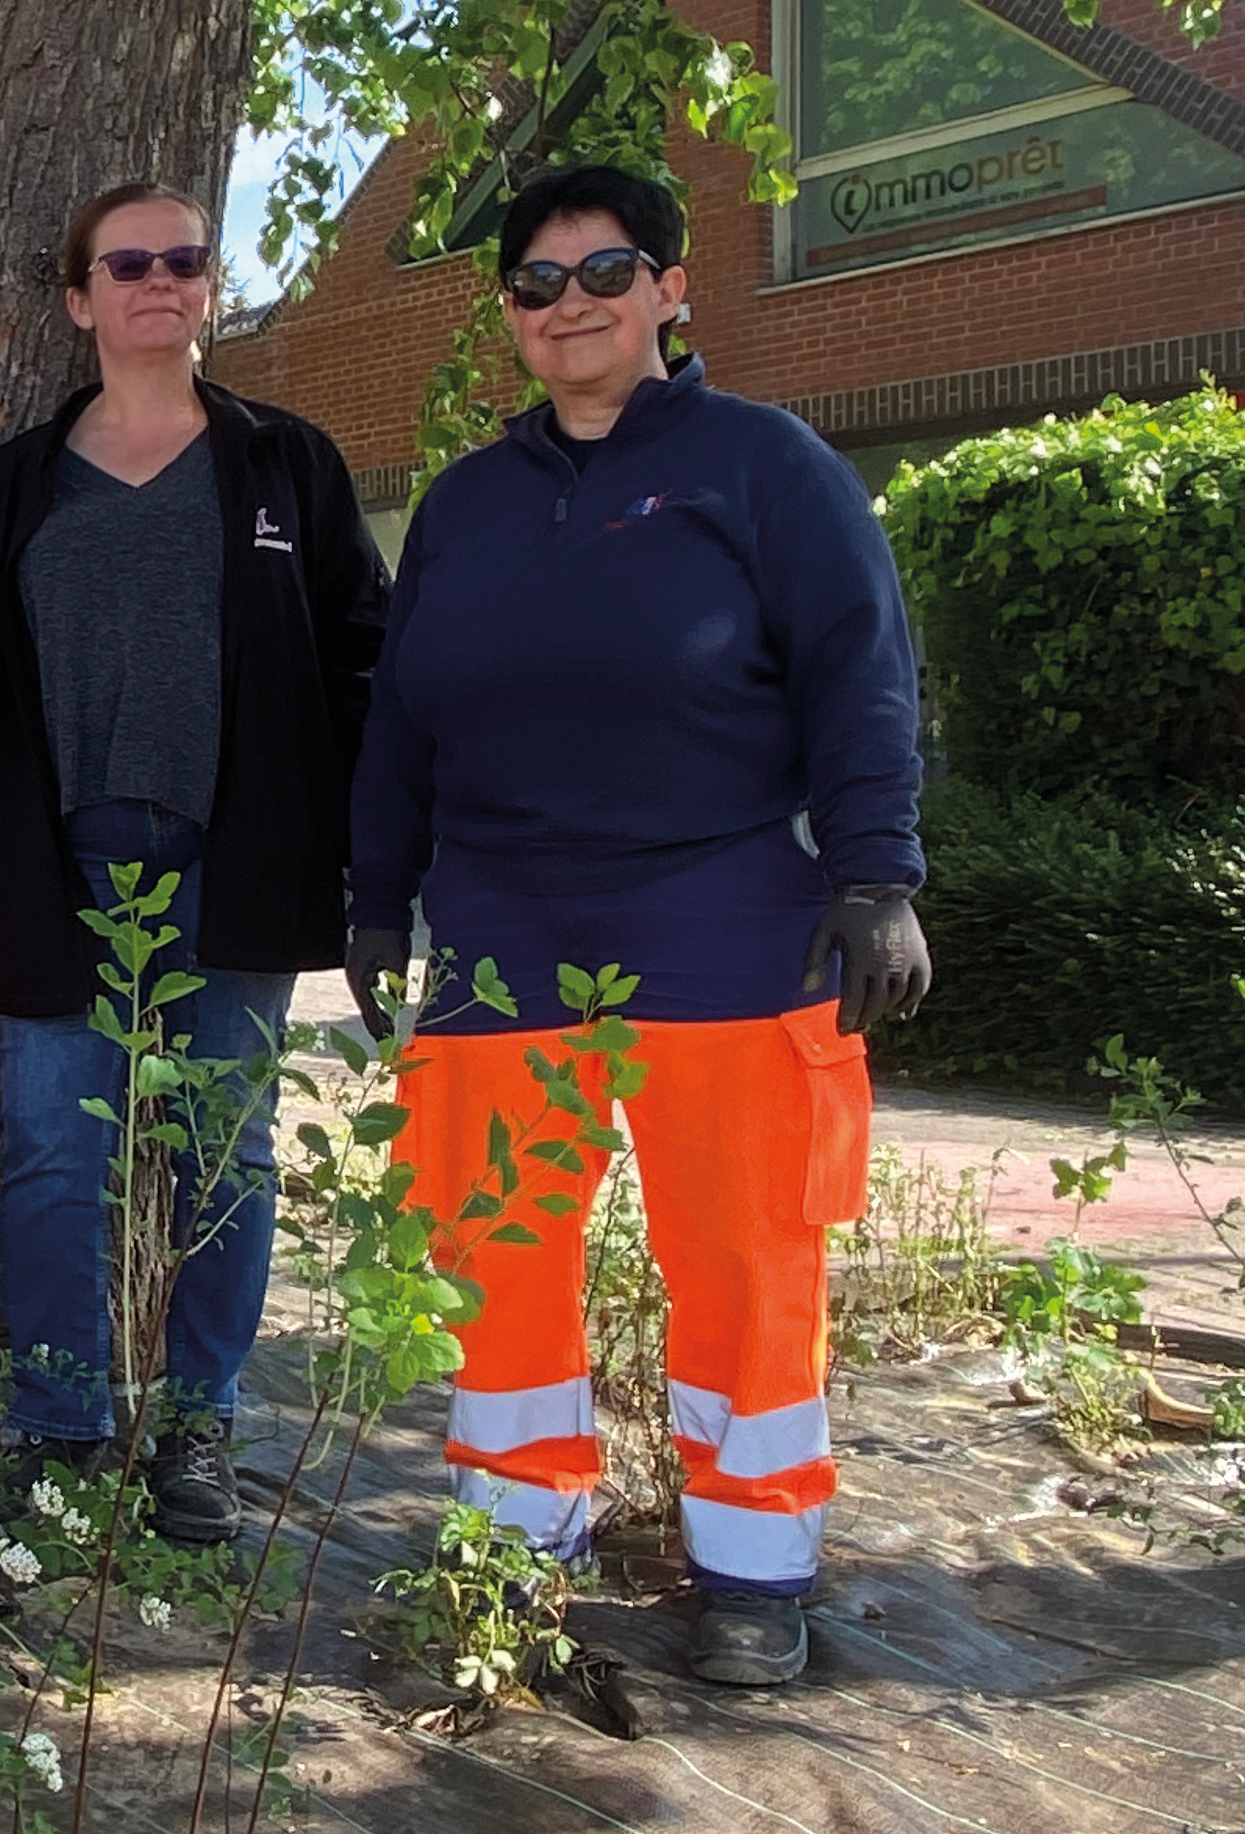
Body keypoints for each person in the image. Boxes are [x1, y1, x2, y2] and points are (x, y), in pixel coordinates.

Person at [346, 164, 929, 1687]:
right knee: (494, 1249)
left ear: (673, 289)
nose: (570, 304)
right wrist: (374, 899)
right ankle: (515, 1545)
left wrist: (877, 878)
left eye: (605, 272)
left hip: (728, 915)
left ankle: (752, 1565)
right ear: (512, 319)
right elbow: (399, 724)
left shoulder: (766, 467)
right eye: (536, 284)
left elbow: (859, 671)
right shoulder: (469, 504)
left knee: (744, 1253)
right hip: (494, 927)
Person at [0, 182, 390, 1547]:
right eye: (127, 265)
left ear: (209, 287)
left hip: (227, 868)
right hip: (61, 874)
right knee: (57, 1163)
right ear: (80, 299)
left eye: (185, 260)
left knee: (225, 1153)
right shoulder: (4, 497)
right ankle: (58, 1423)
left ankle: (199, 1425)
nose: (159, 282)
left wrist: (345, 841)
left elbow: (363, 654)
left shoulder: (285, 469)